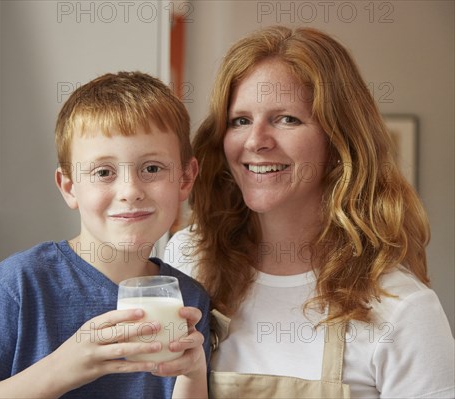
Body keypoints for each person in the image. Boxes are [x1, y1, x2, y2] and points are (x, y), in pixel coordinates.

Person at [164, 25, 454, 398]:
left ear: (338, 140)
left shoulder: (402, 309)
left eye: (287, 119)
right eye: (240, 120)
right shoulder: (188, 258)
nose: (256, 141)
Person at [0, 71, 210, 398]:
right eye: (104, 172)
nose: (130, 190)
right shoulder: (19, 284)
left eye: (152, 168)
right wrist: (63, 368)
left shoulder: (189, 299)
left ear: (185, 179)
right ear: (69, 187)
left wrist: (194, 372)